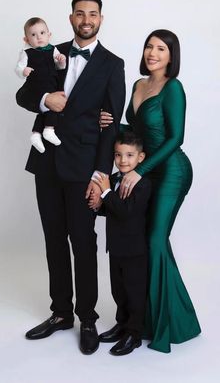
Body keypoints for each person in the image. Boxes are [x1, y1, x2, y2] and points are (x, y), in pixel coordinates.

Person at [16, 0, 125, 354]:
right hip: (47, 163)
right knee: (53, 240)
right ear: (71, 17)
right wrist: (46, 100)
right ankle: (61, 312)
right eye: (80, 13)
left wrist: (100, 174)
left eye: (92, 14)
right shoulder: (49, 50)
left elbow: (110, 126)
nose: (86, 19)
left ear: (101, 19)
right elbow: (23, 95)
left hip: (83, 168)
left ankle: (88, 317)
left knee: (83, 242)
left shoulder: (113, 63)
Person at [99, 29, 201, 353]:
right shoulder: (139, 85)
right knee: (140, 243)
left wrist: (139, 171)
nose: (152, 53)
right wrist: (112, 123)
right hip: (145, 170)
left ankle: (165, 323)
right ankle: (134, 319)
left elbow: (176, 138)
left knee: (154, 240)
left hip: (171, 171)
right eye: (148, 47)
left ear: (172, 56)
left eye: (161, 48)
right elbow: (136, 130)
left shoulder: (173, 88)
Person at [92, 131, 151, 356]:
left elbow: (126, 212)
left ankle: (134, 334)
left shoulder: (143, 185)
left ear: (141, 157)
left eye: (129, 155)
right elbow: (113, 209)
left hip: (134, 251)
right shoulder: (115, 179)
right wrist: (100, 206)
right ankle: (122, 325)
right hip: (115, 247)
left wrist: (106, 191)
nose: (123, 160)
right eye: (118, 155)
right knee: (119, 291)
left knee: (134, 293)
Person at [15, 17, 66, 153]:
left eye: (42, 33)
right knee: (49, 109)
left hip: (51, 85)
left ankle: (36, 134)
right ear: (26, 40)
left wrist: (61, 61)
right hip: (37, 85)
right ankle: (48, 130)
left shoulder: (53, 49)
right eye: (33, 35)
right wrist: (23, 71)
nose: (39, 37)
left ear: (49, 35)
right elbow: (19, 68)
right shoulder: (26, 53)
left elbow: (60, 67)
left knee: (46, 111)